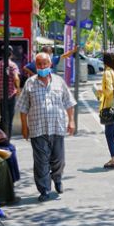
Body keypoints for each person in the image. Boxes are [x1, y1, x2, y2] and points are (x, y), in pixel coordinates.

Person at [16, 52, 76, 202]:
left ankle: (57, 178)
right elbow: (23, 108)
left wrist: (71, 121)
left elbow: (69, 103)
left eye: (45, 64)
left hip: (57, 127)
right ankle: (44, 189)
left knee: (58, 159)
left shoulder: (59, 82)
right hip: (38, 128)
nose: (42, 67)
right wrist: (24, 127)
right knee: (41, 161)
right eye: (39, 64)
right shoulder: (30, 83)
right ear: (36, 66)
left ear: (50, 65)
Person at [0, 46, 20, 140]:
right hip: (10, 95)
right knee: (9, 118)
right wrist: (18, 89)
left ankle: (1, 138)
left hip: (1, 95)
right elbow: (16, 78)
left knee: (3, 117)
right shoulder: (13, 65)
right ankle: (7, 139)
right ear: (11, 54)